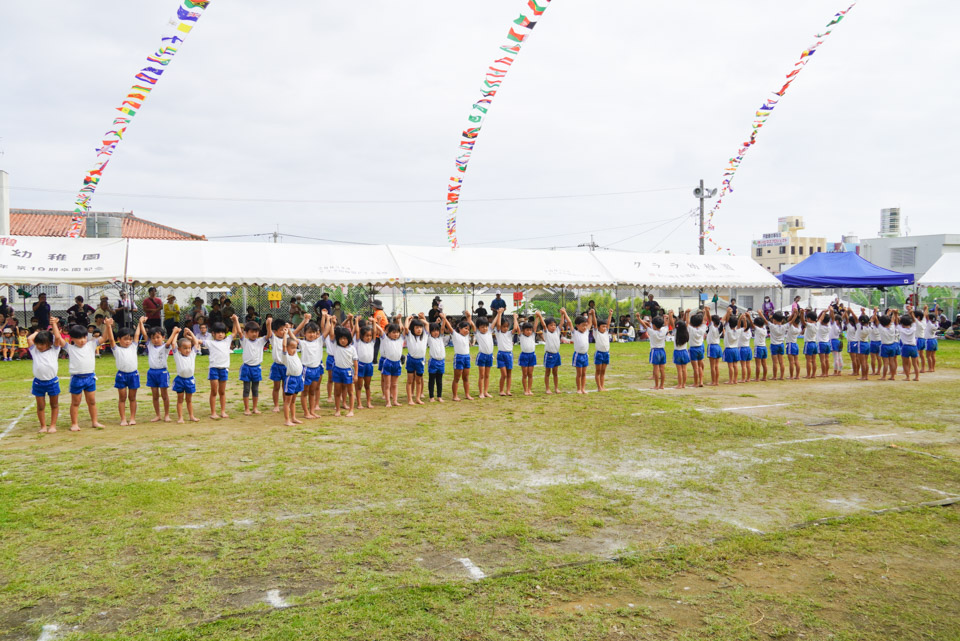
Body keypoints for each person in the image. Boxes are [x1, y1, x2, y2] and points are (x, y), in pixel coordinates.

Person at [104, 317, 142, 426]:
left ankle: (132, 418)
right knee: (122, 398)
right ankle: (123, 419)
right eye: (125, 339)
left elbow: (136, 335)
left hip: (133, 374)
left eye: (130, 339)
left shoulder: (133, 347)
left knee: (132, 397)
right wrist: (108, 326)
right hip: (121, 375)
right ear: (119, 339)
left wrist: (139, 323)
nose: (128, 341)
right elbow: (111, 339)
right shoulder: (116, 349)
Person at [28, 321, 62, 433]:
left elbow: (57, 337)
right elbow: (29, 339)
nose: (39, 346)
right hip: (38, 383)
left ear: (49, 343)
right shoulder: (34, 351)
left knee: (54, 404)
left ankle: (53, 425)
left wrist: (54, 325)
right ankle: (43, 426)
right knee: (40, 406)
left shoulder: (54, 350)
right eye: (37, 343)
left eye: (42, 344)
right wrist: (39, 332)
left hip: (52, 382)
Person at [235, 315, 267, 416]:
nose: (254, 334)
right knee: (246, 389)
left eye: (256, 332)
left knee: (255, 389)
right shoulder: (245, 341)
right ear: (247, 333)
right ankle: (247, 408)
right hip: (247, 368)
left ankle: (255, 408)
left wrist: (268, 323)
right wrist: (236, 320)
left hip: (256, 368)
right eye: (252, 332)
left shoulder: (261, 341)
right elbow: (239, 332)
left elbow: (269, 334)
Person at [146, 322, 177, 423]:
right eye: (153, 338)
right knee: (155, 395)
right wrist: (141, 323)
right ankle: (158, 415)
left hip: (162, 372)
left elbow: (168, 343)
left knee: (164, 395)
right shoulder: (150, 345)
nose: (155, 340)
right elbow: (144, 333)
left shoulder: (165, 347)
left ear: (163, 337)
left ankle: (166, 415)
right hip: (152, 373)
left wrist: (174, 332)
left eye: (158, 337)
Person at [327, 324, 358, 418]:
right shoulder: (336, 346)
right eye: (341, 338)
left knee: (350, 391)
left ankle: (351, 410)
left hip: (348, 371)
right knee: (337, 391)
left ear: (349, 339)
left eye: (345, 338)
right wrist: (331, 322)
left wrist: (356, 374)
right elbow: (332, 335)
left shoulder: (352, 349)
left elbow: (355, 362)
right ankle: (337, 410)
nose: (343, 340)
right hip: (337, 370)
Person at [206, 319, 233, 420]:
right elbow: (198, 341)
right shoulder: (210, 343)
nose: (220, 334)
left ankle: (223, 411)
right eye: (218, 332)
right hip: (214, 369)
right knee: (214, 391)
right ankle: (213, 412)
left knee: (222, 391)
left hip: (224, 369)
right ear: (213, 333)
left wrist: (235, 321)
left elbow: (234, 332)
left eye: (222, 332)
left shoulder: (227, 341)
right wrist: (189, 334)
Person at [298, 313, 324, 419]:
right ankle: (306, 412)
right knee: (305, 392)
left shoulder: (319, 341)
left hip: (316, 369)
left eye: (313, 332)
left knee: (313, 391)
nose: (311, 335)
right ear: (304, 334)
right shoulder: (302, 343)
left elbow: (325, 331)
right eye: (309, 332)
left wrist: (328, 320)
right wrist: (304, 320)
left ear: (317, 333)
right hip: (306, 369)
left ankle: (312, 411)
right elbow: (292, 334)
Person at [172, 328, 200, 423]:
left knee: (189, 399)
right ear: (179, 349)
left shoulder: (192, 354)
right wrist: (176, 333)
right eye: (185, 348)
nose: (188, 350)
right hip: (180, 380)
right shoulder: (177, 355)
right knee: (180, 399)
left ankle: (191, 416)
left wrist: (191, 333)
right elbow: (173, 344)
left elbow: (196, 343)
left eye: (189, 348)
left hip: (190, 380)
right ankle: (180, 417)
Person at [376, 317, 404, 408]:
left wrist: (401, 320)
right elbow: (380, 330)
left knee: (395, 384)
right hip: (388, 363)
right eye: (393, 332)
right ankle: (388, 401)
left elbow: (403, 328)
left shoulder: (400, 340)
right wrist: (375, 322)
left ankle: (395, 401)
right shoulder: (386, 339)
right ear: (388, 333)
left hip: (397, 363)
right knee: (387, 384)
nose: (396, 334)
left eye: (397, 332)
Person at [279, 331, 305, 426]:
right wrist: (285, 334)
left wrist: (289, 331)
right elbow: (284, 346)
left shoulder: (295, 355)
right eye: (292, 347)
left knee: (293, 401)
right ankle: (287, 420)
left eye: (295, 348)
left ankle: (293, 417)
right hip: (291, 380)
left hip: (299, 379)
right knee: (287, 401)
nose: (294, 349)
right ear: (287, 348)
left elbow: (296, 341)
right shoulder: (286, 357)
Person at [637, 313, 668, 390]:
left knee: (656, 369)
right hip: (662, 350)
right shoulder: (664, 330)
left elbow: (644, 325)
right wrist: (666, 318)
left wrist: (638, 318)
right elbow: (667, 325)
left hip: (655, 351)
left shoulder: (652, 332)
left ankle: (656, 385)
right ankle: (662, 385)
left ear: (654, 325)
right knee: (662, 369)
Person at [266, 318, 289, 413]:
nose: (283, 331)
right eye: (281, 330)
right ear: (275, 331)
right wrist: (269, 323)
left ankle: (285, 404)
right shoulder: (273, 338)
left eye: (284, 329)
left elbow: (295, 331)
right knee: (276, 387)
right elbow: (269, 331)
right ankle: (276, 405)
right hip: (277, 366)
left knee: (285, 387)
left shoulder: (287, 338)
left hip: (286, 366)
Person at [404, 314, 428, 405]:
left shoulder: (425, 336)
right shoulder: (410, 335)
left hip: (420, 361)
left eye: (420, 327)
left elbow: (427, 325)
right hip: (411, 360)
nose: (419, 329)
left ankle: (418, 398)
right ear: (412, 329)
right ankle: (410, 399)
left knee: (418, 380)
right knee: (410, 380)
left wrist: (422, 319)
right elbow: (406, 328)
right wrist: (407, 319)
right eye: (417, 327)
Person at [451, 312, 475, 401]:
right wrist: (444, 318)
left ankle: (467, 394)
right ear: (460, 329)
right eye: (465, 329)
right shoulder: (455, 335)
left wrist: (469, 316)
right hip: (459, 358)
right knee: (457, 378)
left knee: (466, 377)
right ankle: (455, 396)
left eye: (468, 329)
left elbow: (469, 323)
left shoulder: (467, 336)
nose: (467, 330)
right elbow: (450, 328)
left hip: (467, 357)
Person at [492, 308, 516, 397]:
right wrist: (499, 314)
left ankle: (508, 390)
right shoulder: (498, 333)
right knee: (504, 374)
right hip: (501, 354)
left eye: (507, 327)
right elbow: (498, 324)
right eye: (503, 326)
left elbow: (515, 328)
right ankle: (501, 390)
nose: (505, 328)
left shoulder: (510, 333)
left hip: (509, 354)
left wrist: (515, 318)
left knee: (509, 374)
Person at [353, 318, 376, 409]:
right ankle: (359, 403)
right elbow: (357, 332)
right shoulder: (359, 342)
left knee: (367, 385)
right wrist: (356, 322)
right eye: (366, 336)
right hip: (360, 365)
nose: (369, 337)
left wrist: (374, 322)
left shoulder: (372, 343)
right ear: (362, 336)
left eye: (370, 336)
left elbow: (374, 332)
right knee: (359, 385)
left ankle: (368, 402)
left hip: (369, 365)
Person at [590, 308, 612, 392]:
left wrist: (610, 314)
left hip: (606, 353)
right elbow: (595, 323)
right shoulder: (596, 333)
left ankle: (602, 386)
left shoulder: (606, 332)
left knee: (603, 371)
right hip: (599, 354)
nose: (605, 328)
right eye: (603, 326)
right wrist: (593, 314)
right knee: (598, 371)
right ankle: (599, 387)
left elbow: (608, 323)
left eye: (605, 327)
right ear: (598, 328)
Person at [517, 314, 539, 396]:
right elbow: (517, 329)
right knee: (525, 374)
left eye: (530, 330)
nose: (529, 331)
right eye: (527, 330)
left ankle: (529, 389)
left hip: (532, 356)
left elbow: (535, 326)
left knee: (530, 374)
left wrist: (537, 317)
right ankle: (525, 390)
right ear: (523, 331)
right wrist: (515, 319)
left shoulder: (533, 335)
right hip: (524, 356)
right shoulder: (521, 336)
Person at [474, 313, 495, 399]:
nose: (485, 328)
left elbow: (494, 323)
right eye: (482, 327)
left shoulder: (489, 331)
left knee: (487, 375)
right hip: (482, 356)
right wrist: (468, 317)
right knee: (481, 375)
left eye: (486, 326)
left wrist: (499, 313)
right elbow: (472, 324)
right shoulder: (477, 334)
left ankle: (486, 392)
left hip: (490, 356)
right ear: (478, 328)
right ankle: (481, 392)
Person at [570, 312, 591, 394]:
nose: (585, 327)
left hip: (585, 355)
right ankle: (578, 389)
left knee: (584, 373)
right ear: (577, 325)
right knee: (579, 373)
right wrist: (564, 313)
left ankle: (583, 388)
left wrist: (591, 314)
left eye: (585, 325)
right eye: (583, 325)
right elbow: (570, 322)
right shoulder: (575, 333)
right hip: (578, 355)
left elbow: (590, 323)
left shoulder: (586, 332)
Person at [670, 311, 690, 390]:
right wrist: (687, 314)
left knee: (679, 370)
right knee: (684, 369)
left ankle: (679, 384)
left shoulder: (676, 332)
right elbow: (687, 322)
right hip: (685, 351)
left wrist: (670, 315)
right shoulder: (686, 331)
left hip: (677, 352)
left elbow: (672, 324)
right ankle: (684, 384)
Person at [898, 310, 920, 382]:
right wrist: (911, 313)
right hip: (913, 347)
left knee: (905, 363)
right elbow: (914, 321)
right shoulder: (913, 328)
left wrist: (895, 314)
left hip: (905, 347)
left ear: (902, 323)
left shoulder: (901, 329)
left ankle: (908, 377)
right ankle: (917, 377)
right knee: (915, 363)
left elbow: (896, 323)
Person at [721, 309, 740, 385]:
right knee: (735, 365)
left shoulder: (728, 330)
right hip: (735, 349)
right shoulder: (738, 330)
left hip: (729, 349)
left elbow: (724, 320)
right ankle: (735, 380)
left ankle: (730, 380)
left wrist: (727, 312)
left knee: (730, 366)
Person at [688, 312, 707, 388]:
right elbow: (705, 320)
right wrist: (706, 311)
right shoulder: (702, 328)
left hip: (693, 348)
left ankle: (695, 383)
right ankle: (701, 381)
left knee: (695, 368)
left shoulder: (691, 329)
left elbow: (687, 322)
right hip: (700, 347)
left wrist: (687, 314)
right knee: (700, 366)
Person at [706, 314, 722, 387]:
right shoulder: (719, 329)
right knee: (716, 366)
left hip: (712, 346)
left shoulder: (712, 327)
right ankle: (717, 381)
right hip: (718, 346)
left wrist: (707, 311)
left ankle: (713, 381)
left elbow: (709, 318)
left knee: (712, 366)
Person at [737, 313, 753, 383]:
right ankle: (748, 378)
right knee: (748, 365)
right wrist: (746, 319)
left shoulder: (740, 331)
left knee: (743, 365)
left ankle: (743, 379)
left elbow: (738, 326)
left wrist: (740, 318)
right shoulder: (749, 331)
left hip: (742, 349)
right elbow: (747, 326)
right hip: (748, 348)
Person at [753, 316, 769, 382]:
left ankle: (757, 378)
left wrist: (748, 317)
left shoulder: (757, 329)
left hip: (758, 347)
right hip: (764, 347)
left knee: (758, 364)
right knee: (764, 364)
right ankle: (764, 377)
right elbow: (764, 322)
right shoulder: (764, 329)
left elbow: (752, 324)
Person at [924, 308, 939, 372]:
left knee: (928, 356)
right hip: (934, 340)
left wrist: (926, 309)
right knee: (933, 355)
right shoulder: (936, 323)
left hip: (929, 340)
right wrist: (936, 309)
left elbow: (926, 316)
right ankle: (933, 368)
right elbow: (936, 316)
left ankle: (930, 368)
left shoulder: (929, 323)